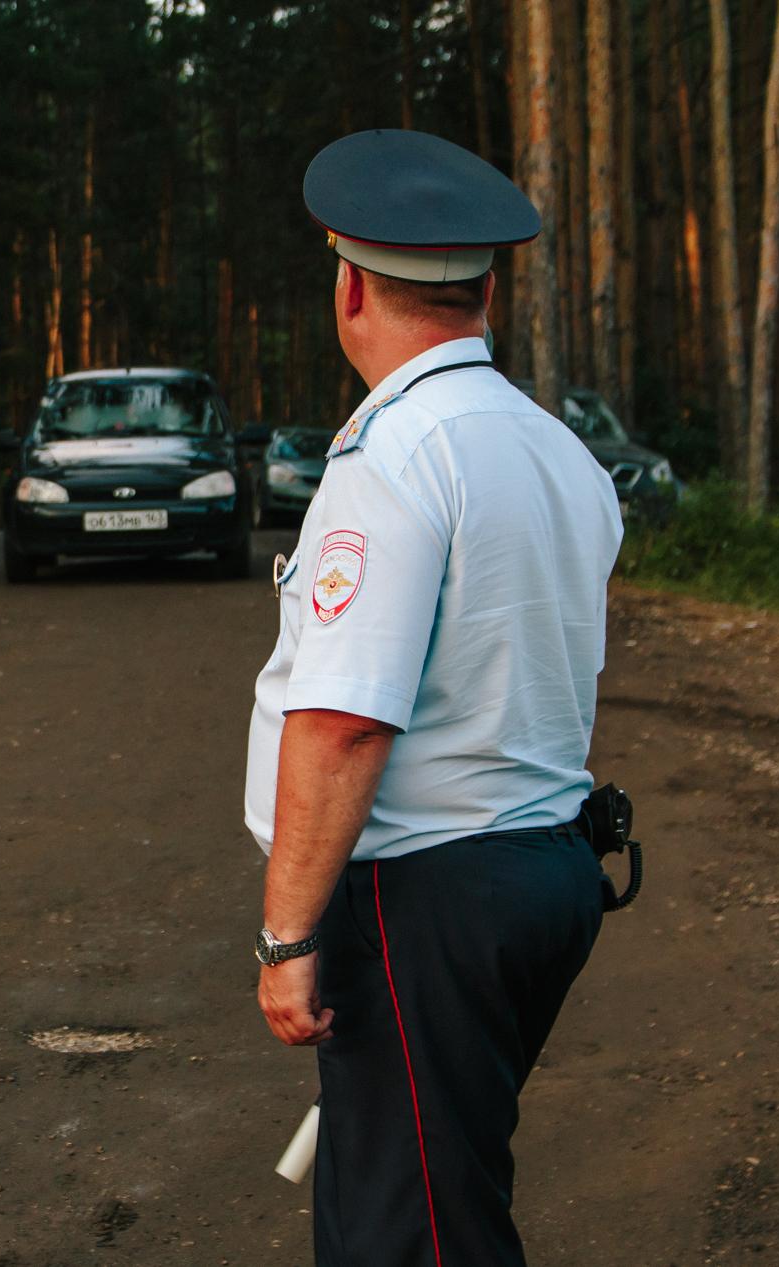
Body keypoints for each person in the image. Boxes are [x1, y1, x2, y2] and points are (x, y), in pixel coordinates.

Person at [244, 129, 625, 1266]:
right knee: (430, 1188)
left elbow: (346, 717)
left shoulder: (397, 456)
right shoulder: (555, 449)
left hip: (430, 896)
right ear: (485, 289)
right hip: (543, 869)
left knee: (410, 1238)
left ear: (348, 284)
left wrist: (286, 933)